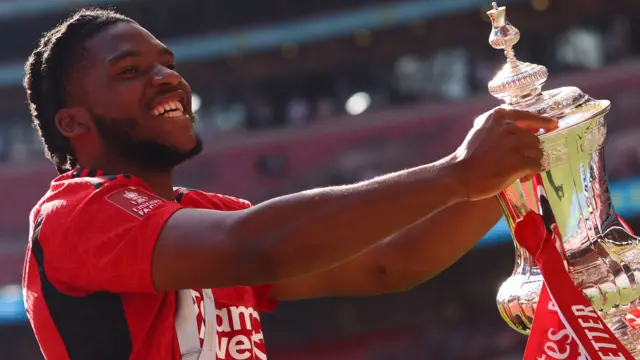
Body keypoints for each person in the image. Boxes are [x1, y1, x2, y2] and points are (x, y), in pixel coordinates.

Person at [21, 8, 557, 360]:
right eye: (129, 71)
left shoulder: (205, 212)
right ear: (74, 123)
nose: (168, 77)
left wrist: (510, 170)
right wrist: (459, 172)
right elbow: (254, 247)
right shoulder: (76, 211)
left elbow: (389, 261)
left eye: (167, 62)